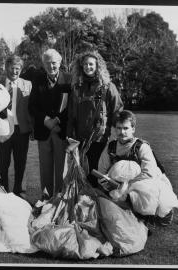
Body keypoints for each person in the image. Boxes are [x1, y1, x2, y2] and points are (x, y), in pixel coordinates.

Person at [98, 110, 178, 226]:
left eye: (126, 128)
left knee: (133, 168)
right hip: (118, 186)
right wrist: (104, 181)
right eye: (119, 128)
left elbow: (149, 173)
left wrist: (127, 186)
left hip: (143, 186)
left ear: (133, 129)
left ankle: (143, 215)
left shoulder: (141, 146)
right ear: (115, 129)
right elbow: (102, 171)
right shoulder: (110, 147)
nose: (122, 132)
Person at [67, 49, 123, 187]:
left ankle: (97, 203)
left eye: (91, 64)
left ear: (98, 66)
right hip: (80, 141)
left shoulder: (108, 87)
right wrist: (69, 137)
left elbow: (117, 111)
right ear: (81, 67)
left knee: (97, 174)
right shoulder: (76, 88)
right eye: (85, 64)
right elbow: (71, 115)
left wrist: (120, 134)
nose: (88, 67)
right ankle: (84, 202)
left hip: (100, 139)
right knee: (81, 175)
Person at [28, 49, 71, 200]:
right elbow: (32, 106)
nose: (51, 66)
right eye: (47, 63)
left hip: (61, 130)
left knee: (61, 169)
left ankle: (59, 199)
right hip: (44, 130)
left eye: (54, 62)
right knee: (45, 168)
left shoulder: (68, 79)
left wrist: (57, 120)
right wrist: (46, 120)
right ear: (43, 64)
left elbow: (71, 106)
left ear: (59, 63)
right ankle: (46, 199)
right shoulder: (38, 80)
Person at [0, 55, 33, 197]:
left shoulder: (28, 85)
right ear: (6, 68)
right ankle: (2, 192)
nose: (14, 71)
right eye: (12, 68)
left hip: (21, 130)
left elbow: (32, 108)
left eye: (17, 69)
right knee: (2, 163)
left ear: (21, 69)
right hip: (3, 129)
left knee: (21, 163)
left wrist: (32, 128)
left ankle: (20, 193)